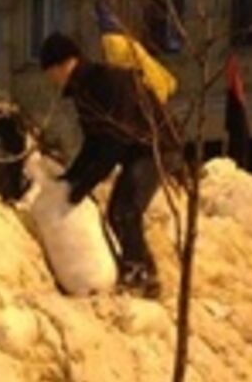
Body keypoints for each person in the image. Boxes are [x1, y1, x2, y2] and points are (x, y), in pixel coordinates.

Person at [38, 31, 177, 299]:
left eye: (51, 73)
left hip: (157, 147)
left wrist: (82, 187)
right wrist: (70, 178)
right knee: (119, 210)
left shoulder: (108, 82)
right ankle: (142, 271)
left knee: (125, 208)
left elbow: (115, 141)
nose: (51, 81)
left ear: (64, 63)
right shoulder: (84, 91)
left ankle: (140, 276)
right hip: (134, 148)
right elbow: (93, 143)